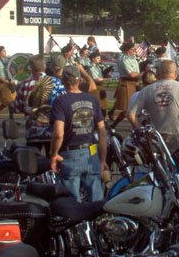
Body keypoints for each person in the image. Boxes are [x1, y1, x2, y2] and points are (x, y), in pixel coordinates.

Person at [128, 59, 179, 174]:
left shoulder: (147, 90)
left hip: (157, 140)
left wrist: (141, 132)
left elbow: (131, 115)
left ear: (157, 74)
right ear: (176, 73)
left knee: (162, 175)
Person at [49, 65, 108, 202]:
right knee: (96, 200)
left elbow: (58, 133)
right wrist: (103, 159)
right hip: (91, 152)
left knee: (71, 203)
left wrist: (53, 154)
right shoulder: (92, 100)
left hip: (70, 154)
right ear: (80, 80)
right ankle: (96, 222)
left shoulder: (61, 101)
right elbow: (102, 131)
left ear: (63, 80)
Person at [14, 54, 66, 155]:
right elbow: (65, 104)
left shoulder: (24, 84)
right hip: (52, 132)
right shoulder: (56, 82)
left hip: (32, 132)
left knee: (32, 165)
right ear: (45, 66)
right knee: (52, 162)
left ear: (31, 68)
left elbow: (17, 108)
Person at [110, 42, 140, 120]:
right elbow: (131, 74)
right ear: (127, 50)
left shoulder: (133, 58)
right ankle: (114, 125)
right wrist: (143, 74)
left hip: (135, 83)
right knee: (128, 107)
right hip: (127, 83)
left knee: (133, 105)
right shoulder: (124, 59)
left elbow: (136, 72)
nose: (134, 51)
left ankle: (112, 111)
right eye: (133, 49)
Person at [0, 45, 15, 123]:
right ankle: (11, 119)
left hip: (10, 82)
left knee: (9, 101)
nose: (5, 52)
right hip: (3, 83)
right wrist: (4, 81)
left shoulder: (7, 61)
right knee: (10, 101)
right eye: (3, 51)